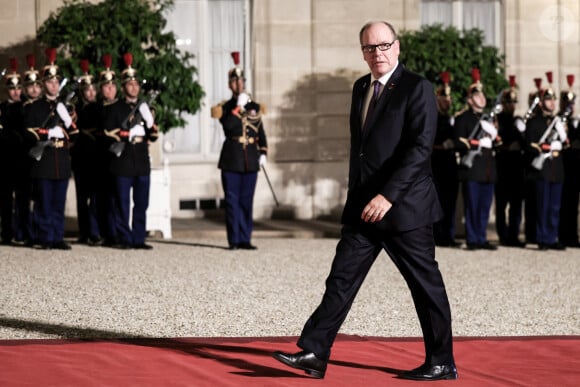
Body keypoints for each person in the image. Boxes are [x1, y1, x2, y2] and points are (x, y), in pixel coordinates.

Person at [272, 21, 457, 381]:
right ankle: (314, 352)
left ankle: (442, 361)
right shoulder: (361, 87)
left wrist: (388, 195)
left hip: (405, 209)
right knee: (340, 279)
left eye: (384, 45)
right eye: (370, 48)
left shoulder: (417, 88)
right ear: (362, 52)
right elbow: (362, 152)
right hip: (362, 208)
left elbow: (419, 150)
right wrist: (357, 196)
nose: (378, 53)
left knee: (425, 286)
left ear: (398, 47)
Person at [22, 48, 78, 250]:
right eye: (50, 82)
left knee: (58, 202)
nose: (53, 85)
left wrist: (67, 121)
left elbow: (75, 134)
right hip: (44, 161)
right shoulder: (34, 107)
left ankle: (56, 236)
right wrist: (48, 134)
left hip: (61, 160)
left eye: (56, 82)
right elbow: (28, 133)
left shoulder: (66, 107)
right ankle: (44, 237)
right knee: (44, 202)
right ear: (43, 84)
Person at [211, 51, 268, 250]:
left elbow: (260, 129)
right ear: (230, 85)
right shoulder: (225, 107)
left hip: (250, 159)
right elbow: (229, 126)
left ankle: (245, 238)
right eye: (235, 82)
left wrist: (263, 152)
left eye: (241, 81)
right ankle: (234, 240)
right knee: (232, 202)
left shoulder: (254, 106)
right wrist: (237, 107)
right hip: (231, 159)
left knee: (246, 201)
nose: (238, 85)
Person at [102, 53, 158, 250]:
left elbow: (153, 136)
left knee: (142, 203)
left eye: (136, 85)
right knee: (122, 204)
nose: (134, 88)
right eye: (130, 84)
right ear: (124, 86)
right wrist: (127, 133)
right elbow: (108, 133)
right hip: (123, 160)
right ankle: (124, 238)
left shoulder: (145, 107)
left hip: (141, 159)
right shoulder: (115, 108)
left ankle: (138, 238)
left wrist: (150, 123)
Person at [454, 68, 498, 250]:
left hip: (487, 169)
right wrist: (477, 143)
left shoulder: (488, 119)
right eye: (477, 96)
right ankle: (472, 238)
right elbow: (458, 141)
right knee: (472, 206)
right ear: (470, 99)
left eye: (482, 95)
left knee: (484, 207)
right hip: (472, 169)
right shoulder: (463, 118)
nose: (482, 99)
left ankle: (481, 236)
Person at [524, 72, 566, 250]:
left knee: (555, 207)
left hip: (556, 168)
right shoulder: (535, 123)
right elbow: (529, 145)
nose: (552, 103)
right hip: (543, 169)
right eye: (548, 100)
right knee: (543, 206)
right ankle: (542, 237)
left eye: (553, 100)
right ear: (541, 103)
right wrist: (546, 148)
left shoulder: (558, 122)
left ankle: (551, 236)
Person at [70, 59, 102, 246]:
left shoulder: (99, 108)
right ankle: (84, 231)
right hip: (81, 156)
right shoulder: (76, 109)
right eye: (87, 90)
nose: (91, 93)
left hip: (96, 156)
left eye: (93, 90)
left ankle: (95, 230)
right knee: (81, 197)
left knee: (96, 197)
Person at [494, 75, 526, 247]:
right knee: (501, 205)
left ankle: (513, 234)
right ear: (504, 104)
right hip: (503, 166)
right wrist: (508, 146)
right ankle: (503, 234)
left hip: (516, 168)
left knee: (516, 205)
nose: (512, 105)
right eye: (509, 102)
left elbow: (526, 142)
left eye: (514, 102)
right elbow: (496, 142)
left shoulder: (517, 121)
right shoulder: (498, 120)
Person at [0, 58, 29, 245]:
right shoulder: (2, 108)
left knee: (23, 199)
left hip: (24, 158)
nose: (16, 92)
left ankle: (23, 232)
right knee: (5, 199)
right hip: (4, 158)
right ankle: (7, 233)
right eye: (12, 88)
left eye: (19, 88)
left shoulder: (27, 107)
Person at [431, 71, 459, 247]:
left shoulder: (451, 119)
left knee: (450, 202)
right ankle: (437, 235)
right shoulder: (432, 119)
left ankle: (448, 235)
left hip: (450, 165)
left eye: (449, 99)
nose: (448, 102)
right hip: (436, 165)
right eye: (444, 99)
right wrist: (442, 146)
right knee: (438, 202)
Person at [95, 54, 120, 248]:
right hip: (100, 158)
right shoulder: (95, 108)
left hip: (118, 158)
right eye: (106, 86)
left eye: (112, 86)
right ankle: (105, 233)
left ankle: (117, 233)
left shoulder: (122, 106)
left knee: (117, 198)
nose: (109, 89)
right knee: (101, 199)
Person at [558, 75, 580, 248]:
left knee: (573, 204)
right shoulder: (558, 121)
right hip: (560, 166)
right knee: (561, 204)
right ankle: (560, 235)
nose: (570, 106)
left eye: (572, 103)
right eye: (567, 102)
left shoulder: (576, 121)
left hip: (575, 168)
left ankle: (572, 236)